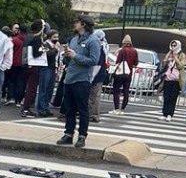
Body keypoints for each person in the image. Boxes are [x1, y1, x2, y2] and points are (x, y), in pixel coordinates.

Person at [57, 16, 102, 147]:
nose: (75, 24)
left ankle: (82, 136)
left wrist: (75, 56)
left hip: (83, 79)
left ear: (83, 24)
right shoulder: (74, 39)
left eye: (77, 22)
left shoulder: (93, 40)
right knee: (69, 109)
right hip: (70, 78)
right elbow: (70, 60)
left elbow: (94, 60)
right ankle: (68, 134)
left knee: (82, 109)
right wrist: (66, 56)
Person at [21, 20, 48, 116]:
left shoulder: (28, 37)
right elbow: (36, 54)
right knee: (31, 88)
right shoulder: (37, 38)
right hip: (34, 66)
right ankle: (26, 108)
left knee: (27, 87)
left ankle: (25, 106)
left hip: (26, 64)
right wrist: (44, 50)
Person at [111, 34, 139, 115]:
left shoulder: (122, 50)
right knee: (126, 91)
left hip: (120, 73)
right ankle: (123, 109)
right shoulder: (134, 51)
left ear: (123, 42)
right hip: (128, 74)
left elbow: (118, 62)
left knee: (116, 91)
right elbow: (136, 63)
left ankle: (116, 108)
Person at [158, 40, 186, 118]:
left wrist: (175, 58)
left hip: (176, 80)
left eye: (175, 45)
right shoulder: (170, 54)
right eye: (172, 45)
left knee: (173, 98)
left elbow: (181, 66)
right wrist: (169, 54)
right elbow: (164, 64)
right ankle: (164, 113)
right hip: (167, 79)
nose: (173, 47)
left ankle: (170, 114)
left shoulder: (182, 55)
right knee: (166, 97)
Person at [35, 30, 60, 117]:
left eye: (57, 37)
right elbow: (48, 55)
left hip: (52, 68)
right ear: (50, 37)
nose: (56, 39)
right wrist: (55, 49)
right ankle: (41, 109)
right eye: (54, 37)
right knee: (44, 89)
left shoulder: (55, 45)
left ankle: (46, 107)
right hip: (46, 68)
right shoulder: (45, 44)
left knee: (50, 89)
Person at [6, 24, 27, 106]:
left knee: (12, 81)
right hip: (24, 63)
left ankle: (11, 97)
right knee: (21, 82)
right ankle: (19, 99)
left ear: (19, 30)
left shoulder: (14, 40)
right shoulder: (28, 40)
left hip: (14, 62)